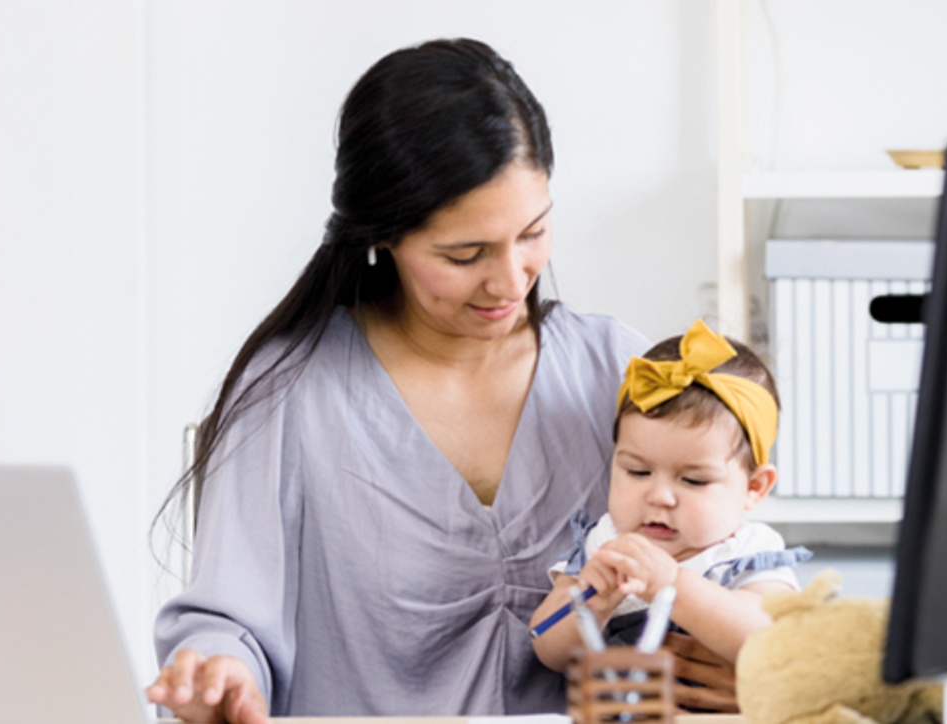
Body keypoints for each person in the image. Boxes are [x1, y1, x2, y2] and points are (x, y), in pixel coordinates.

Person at [143, 38, 732, 723]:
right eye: (464, 254)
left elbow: (732, 568)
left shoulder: (618, 372)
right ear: (380, 237)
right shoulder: (291, 390)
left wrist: (743, 665)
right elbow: (228, 620)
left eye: (533, 233)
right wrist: (220, 677)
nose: (510, 280)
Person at [530, 320, 810, 673]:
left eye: (693, 480)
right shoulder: (605, 542)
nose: (660, 497)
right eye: (638, 472)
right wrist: (590, 604)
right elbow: (548, 649)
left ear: (754, 488)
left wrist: (674, 584)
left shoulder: (748, 551)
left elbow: (773, 643)